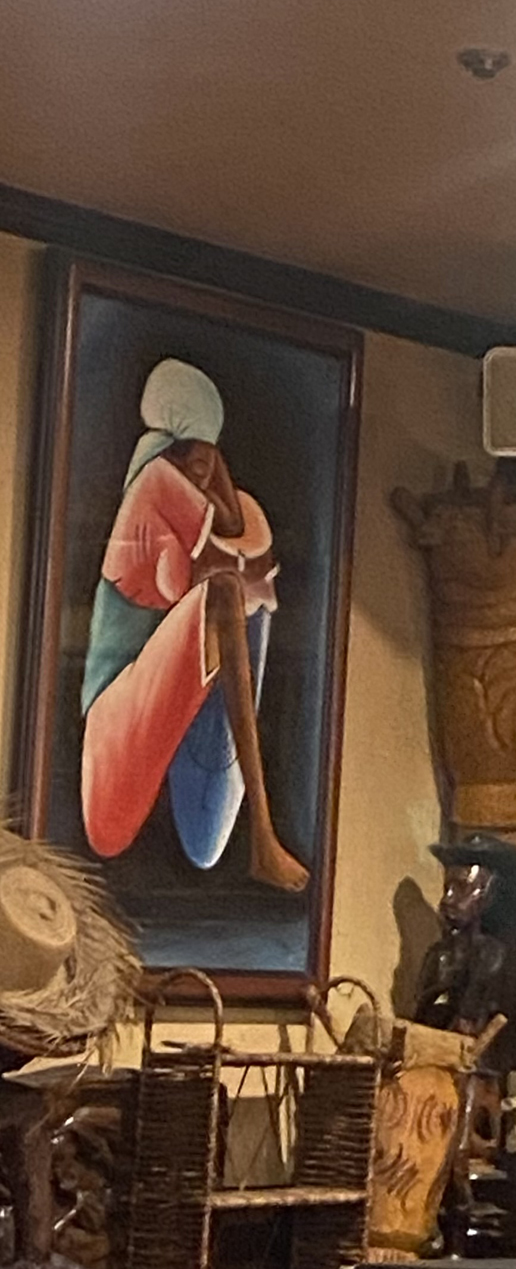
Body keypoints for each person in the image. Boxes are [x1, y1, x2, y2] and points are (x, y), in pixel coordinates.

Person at [79, 358, 308, 891]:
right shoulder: (155, 483)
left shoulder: (181, 487)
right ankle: (263, 832)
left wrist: (211, 460)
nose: (205, 477)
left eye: (212, 464)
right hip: (111, 732)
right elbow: (234, 558)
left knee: (249, 603)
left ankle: (233, 813)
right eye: (198, 462)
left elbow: (254, 558)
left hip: (142, 708)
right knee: (226, 592)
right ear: (171, 450)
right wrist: (208, 467)